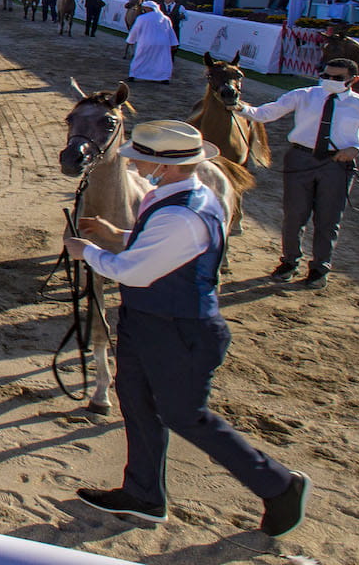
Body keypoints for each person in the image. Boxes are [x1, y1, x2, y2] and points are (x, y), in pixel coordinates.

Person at [65, 120, 310, 536]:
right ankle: (143, 494)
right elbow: (153, 247)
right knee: (137, 403)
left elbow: (136, 272)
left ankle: (278, 484)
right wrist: (117, 234)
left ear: (168, 166)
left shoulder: (182, 213)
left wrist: (88, 251)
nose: (138, 167)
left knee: (185, 415)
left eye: (142, 160)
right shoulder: (174, 197)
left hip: (180, 331)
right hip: (149, 323)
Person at [235, 57, 359, 288]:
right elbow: (265, 113)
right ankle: (289, 261)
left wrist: (358, 149)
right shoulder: (303, 95)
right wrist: (238, 107)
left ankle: (320, 267)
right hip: (300, 158)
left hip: (337, 164)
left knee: (329, 218)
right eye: (326, 76)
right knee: (294, 215)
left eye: (337, 78)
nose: (329, 81)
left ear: (353, 79)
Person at [125, 1, 177, 83]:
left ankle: (133, 75)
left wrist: (131, 40)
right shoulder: (165, 18)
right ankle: (164, 77)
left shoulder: (142, 18)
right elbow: (170, 31)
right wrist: (174, 43)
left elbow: (135, 30)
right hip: (162, 43)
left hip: (146, 41)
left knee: (140, 58)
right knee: (162, 60)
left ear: (148, 8)